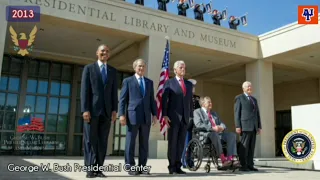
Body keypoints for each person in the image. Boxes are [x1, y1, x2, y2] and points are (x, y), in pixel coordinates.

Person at [81, 44, 118, 178]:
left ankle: (98, 169)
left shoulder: (113, 71)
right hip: (92, 111)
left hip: (107, 112)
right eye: (102, 51)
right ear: (97, 53)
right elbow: (84, 91)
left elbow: (114, 93)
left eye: (107, 51)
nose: (105, 53)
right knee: (90, 140)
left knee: (102, 141)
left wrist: (115, 110)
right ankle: (90, 168)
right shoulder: (89, 69)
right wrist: (85, 109)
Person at [118, 59, 158, 175]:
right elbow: (123, 100)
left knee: (144, 143)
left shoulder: (149, 82)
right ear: (135, 67)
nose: (141, 68)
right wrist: (121, 115)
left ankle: (142, 167)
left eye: (143, 66)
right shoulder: (128, 81)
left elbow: (152, 100)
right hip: (132, 115)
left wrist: (154, 114)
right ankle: (130, 166)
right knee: (130, 142)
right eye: (139, 66)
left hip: (146, 117)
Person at [162, 60, 193, 174]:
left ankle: (178, 166)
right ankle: (172, 167)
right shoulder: (169, 83)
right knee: (173, 143)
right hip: (173, 118)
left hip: (185, 118)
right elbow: (164, 100)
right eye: (181, 67)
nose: (183, 69)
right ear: (175, 70)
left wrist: (190, 116)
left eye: (184, 67)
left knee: (181, 144)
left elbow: (190, 101)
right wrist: (164, 115)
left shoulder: (189, 84)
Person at [194, 96, 240, 168]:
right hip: (207, 135)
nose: (211, 103)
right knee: (214, 134)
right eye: (209, 102)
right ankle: (223, 160)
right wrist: (212, 128)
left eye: (211, 102)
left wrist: (222, 127)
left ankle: (230, 159)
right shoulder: (197, 112)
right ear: (203, 104)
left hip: (219, 134)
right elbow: (198, 124)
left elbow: (221, 123)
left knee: (232, 135)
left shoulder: (214, 113)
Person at [234, 81, 261, 171]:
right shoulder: (239, 98)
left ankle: (250, 164)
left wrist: (259, 126)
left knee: (251, 147)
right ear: (243, 88)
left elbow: (257, 114)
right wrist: (238, 126)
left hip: (253, 126)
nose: (249, 88)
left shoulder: (254, 99)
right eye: (247, 86)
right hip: (244, 126)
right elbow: (237, 113)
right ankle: (243, 165)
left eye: (250, 86)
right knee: (244, 147)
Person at [182, 79, 200, 168]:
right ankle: (184, 161)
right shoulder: (184, 95)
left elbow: (199, 110)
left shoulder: (197, 98)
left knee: (192, 144)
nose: (193, 88)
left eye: (194, 87)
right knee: (186, 143)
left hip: (195, 124)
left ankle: (191, 161)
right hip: (187, 123)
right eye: (192, 87)